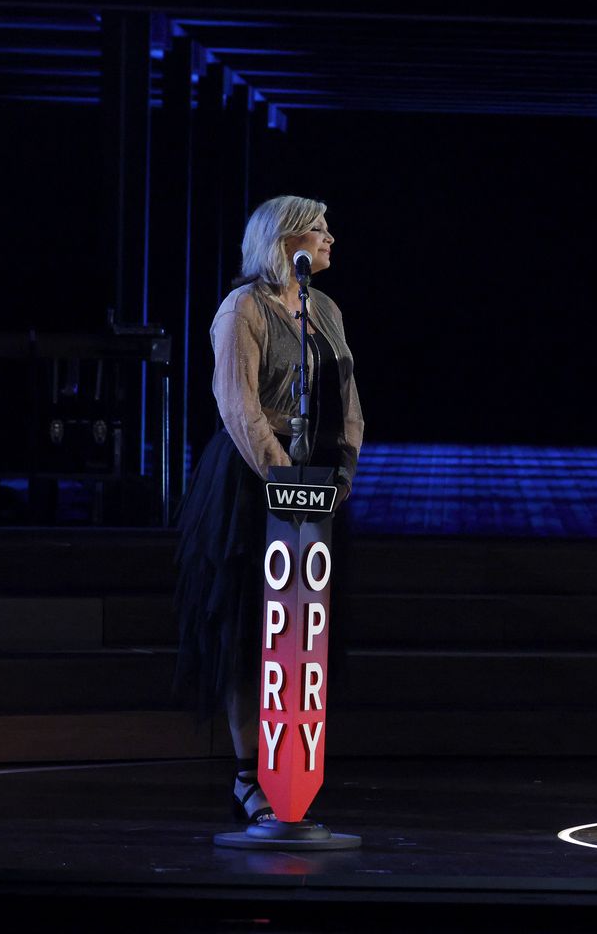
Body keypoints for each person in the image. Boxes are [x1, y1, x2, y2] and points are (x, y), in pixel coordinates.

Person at [173, 196, 363, 823]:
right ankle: (246, 772)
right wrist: (283, 477)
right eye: (319, 228)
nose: (331, 237)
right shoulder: (242, 309)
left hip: (314, 477)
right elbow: (238, 405)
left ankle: (293, 767)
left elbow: (348, 397)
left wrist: (342, 469)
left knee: (300, 627)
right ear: (286, 240)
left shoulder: (325, 310)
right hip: (251, 481)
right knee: (245, 623)